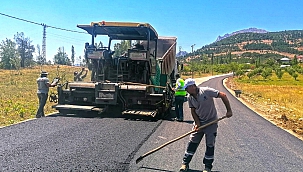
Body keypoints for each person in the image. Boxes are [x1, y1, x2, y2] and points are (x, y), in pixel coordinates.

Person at [179, 78, 233, 172]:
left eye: (187, 88)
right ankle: (185, 163)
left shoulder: (206, 91)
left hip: (211, 122)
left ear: (192, 86)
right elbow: (193, 111)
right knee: (192, 142)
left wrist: (229, 110)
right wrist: (197, 123)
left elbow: (223, 95)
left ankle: (207, 167)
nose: (186, 90)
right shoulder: (189, 97)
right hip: (200, 122)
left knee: (210, 144)